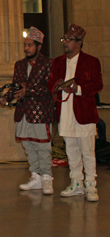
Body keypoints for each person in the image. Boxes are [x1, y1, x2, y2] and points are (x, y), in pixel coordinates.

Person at [47, 23, 103, 202]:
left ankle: (91, 184)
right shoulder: (57, 62)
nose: (65, 43)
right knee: (70, 150)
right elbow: (50, 85)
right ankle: (76, 182)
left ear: (79, 42)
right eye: (64, 39)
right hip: (65, 112)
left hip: (84, 112)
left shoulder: (91, 61)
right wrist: (58, 85)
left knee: (87, 150)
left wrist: (77, 88)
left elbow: (97, 84)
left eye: (69, 40)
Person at [0, 27, 55, 195]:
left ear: (39, 46)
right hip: (23, 111)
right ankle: (35, 176)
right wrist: (5, 98)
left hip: (41, 112)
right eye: (25, 45)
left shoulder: (49, 64)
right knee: (28, 145)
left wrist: (28, 91)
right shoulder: (20, 65)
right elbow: (16, 86)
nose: (26, 48)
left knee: (43, 147)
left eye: (30, 45)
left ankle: (47, 177)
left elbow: (50, 87)